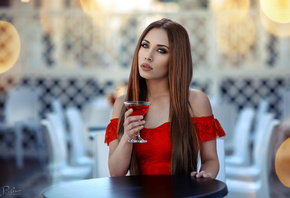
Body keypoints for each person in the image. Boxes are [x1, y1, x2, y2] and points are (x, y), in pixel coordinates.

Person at [105, 18, 225, 178]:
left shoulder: (196, 101)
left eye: (161, 50)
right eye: (145, 45)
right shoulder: (123, 103)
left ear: (177, 58)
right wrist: (128, 136)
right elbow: (115, 172)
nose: (148, 56)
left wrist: (206, 175)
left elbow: (210, 159)